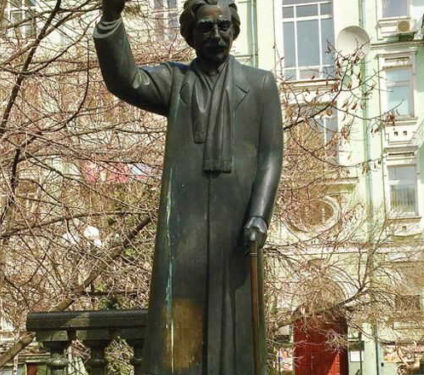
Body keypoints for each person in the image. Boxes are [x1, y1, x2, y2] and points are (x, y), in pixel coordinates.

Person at [93, 0, 283, 373]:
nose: (216, 35)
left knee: (237, 315)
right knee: (180, 315)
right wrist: (111, 19)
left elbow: (271, 155)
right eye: (206, 28)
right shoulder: (175, 81)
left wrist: (259, 216)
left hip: (239, 216)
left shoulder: (260, 84)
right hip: (186, 221)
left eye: (224, 26)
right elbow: (126, 79)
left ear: (235, 30)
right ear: (190, 35)